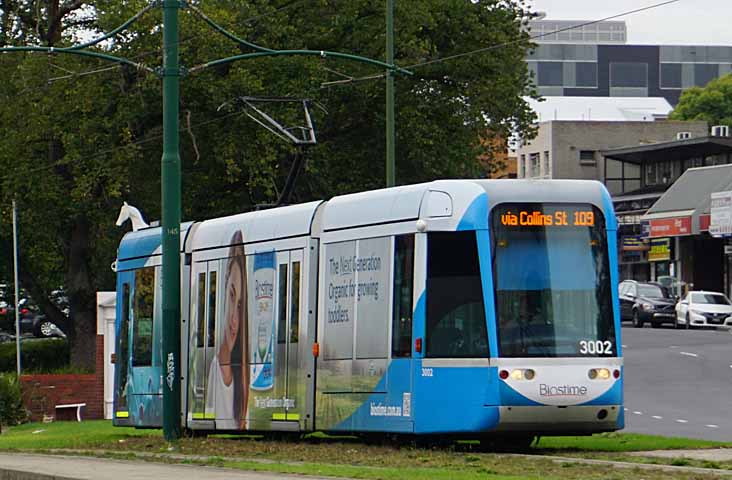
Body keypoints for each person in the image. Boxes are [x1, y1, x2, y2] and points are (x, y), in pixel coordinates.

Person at [206, 230, 249, 429]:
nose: (234, 320)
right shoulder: (211, 368)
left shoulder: (244, 378)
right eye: (232, 297)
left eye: (240, 306)